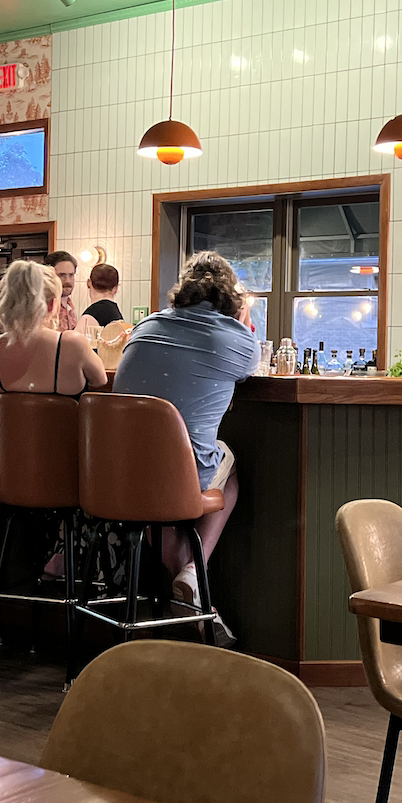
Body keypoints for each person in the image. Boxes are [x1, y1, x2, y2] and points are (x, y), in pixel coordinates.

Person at [112, 251, 258, 643]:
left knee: (154, 501)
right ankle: (194, 576)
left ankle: (193, 593)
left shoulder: (145, 326)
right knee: (229, 473)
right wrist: (241, 323)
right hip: (179, 472)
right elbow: (249, 370)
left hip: (116, 473)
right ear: (231, 298)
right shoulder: (234, 338)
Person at [0, 261, 106, 397]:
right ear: (52, 305)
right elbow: (101, 380)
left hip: (7, 419)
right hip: (61, 418)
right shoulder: (72, 343)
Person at [76, 262, 124, 331]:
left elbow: (76, 341)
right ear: (116, 288)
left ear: (88, 283)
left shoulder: (89, 317)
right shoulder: (116, 315)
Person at [45, 250, 79, 332]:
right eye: (61, 275)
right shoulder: (44, 308)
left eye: (71, 275)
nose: (68, 280)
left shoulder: (69, 305)